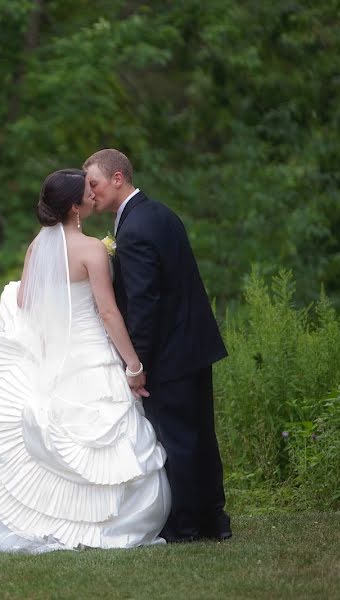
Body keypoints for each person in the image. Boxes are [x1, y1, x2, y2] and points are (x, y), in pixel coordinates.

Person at [0, 169, 171, 553]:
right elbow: (109, 313)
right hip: (93, 350)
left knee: (65, 437)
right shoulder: (92, 248)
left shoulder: (37, 246)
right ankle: (106, 525)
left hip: (60, 356)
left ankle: (52, 519)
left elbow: (26, 301)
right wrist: (133, 365)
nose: (94, 197)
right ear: (75, 207)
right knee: (110, 439)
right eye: (88, 194)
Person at [83, 149, 231, 543]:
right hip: (195, 344)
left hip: (169, 352)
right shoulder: (159, 213)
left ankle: (185, 525)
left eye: (94, 183)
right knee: (201, 434)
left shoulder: (133, 230)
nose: (90, 193)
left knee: (177, 439)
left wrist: (138, 364)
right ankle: (215, 519)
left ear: (118, 178)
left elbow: (145, 303)